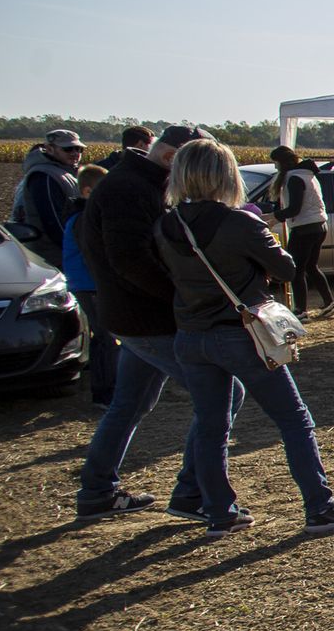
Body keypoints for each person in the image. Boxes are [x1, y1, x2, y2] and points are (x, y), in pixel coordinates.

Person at [153, 139, 334, 537]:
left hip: (191, 335)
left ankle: (219, 510)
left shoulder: (167, 224)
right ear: (225, 174)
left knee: (210, 425)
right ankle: (319, 506)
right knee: (294, 419)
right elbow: (287, 270)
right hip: (241, 334)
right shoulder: (240, 222)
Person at [75, 124, 238, 519]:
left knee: (130, 403)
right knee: (223, 393)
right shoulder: (129, 189)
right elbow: (130, 260)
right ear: (171, 158)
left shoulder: (132, 184)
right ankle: (191, 492)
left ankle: (98, 490)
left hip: (135, 318)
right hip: (148, 320)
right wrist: (184, 296)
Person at [60, 164, 115, 406]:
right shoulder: (85, 219)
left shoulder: (83, 216)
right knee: (105, 338)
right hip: (90, 285)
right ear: (87, 191)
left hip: (89, 283)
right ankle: (104, 392)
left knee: (103, 337)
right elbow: (92, 256)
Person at [267, 147, 334, 320]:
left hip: (304, 229)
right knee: (311, 267)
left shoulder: (294, 178)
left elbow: (294, 209)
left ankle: (301, 310)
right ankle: (330, 303)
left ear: (282, 162)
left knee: (296, 270)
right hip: (319, 225)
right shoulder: (308, 175)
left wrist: (273, 217)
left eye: (275, 163)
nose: (275, 167)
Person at [12, 129, 84, 268]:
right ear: (50, 149)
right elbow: (52, 221)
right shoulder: (44, 176)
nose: (75, 153)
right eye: (68, 149)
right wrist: (73, 248)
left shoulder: (62, 171)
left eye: (79, 149)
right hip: (52, 256)